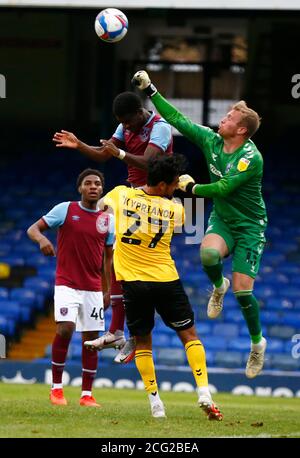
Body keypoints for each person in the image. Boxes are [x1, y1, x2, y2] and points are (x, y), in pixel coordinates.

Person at [132, 70, 267, 379]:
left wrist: (189, 188)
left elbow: (222, 189)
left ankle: (257, 344)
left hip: (249, 225)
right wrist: (151, 90)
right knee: (207, 256)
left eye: (230, 116)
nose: (224, 118)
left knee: (244, 292)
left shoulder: (251, 158)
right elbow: (178, 120)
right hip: (223, 218)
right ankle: (219, 286)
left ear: (242, 129)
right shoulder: (211, 140)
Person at [85, 155, 223, 420]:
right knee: (189, 335)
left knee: (143, 342)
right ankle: (204, 391)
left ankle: (155, 403)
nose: (174, 188)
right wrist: (188, 185)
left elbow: (100, 207)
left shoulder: (120, 194)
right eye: (172, 185)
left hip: (134, 284)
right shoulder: (175, 209)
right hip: (166, 280)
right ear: (162, 185)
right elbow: (191, 223)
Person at [53, 91, 173, 364]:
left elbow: (150, 163)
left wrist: (118, 152)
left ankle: (134, 332)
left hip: (156, 200)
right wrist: (79, 144)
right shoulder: (124, 125)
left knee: (139, 272)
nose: (125, 126)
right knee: (119, 259)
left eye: (128, 121)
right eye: (121, 122)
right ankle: (117, 331)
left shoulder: (161, 128)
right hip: (133, 197)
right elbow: (102, 155)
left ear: (139, 112)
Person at [27, 169, 114, 406]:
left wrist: (109, 291)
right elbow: (33, 229)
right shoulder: (65, 209)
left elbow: (109, 260)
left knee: (92, 339)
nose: (93, 187)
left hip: (94, 289)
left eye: (97, 183)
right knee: (65, 329)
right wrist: (43, 239)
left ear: (102, 189)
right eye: (88, 183)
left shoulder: (107, 219)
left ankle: (87, 394)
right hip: (67, 284)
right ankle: (56, 389)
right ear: (80, 188)